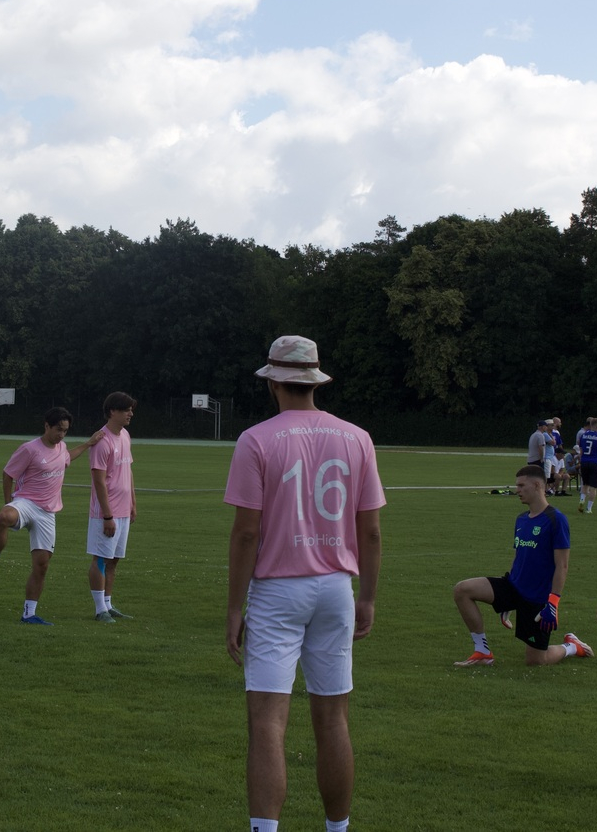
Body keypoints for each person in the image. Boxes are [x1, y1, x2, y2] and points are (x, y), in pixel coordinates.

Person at [225, 335, 384, 832]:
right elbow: (371, 531)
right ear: (315, 381)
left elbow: (246, 532)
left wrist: (233, 608)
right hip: (336, 587)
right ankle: (338, 828)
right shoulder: (357, 437)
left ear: (273, 383)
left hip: (277, 591)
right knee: (333, 719)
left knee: (267, 723)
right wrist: (368, 596)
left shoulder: (256, 439)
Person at [0, 408, 102, 624]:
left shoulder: (61, 447)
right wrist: (9, 502)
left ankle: (29, 614)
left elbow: (67, 457)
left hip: (47, 513)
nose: (61, 435)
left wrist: (88, 444)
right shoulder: (29, 449)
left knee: (41, 565)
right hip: (26, 503)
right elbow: (8, 474)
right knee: (5, 515)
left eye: (65, 431)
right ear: (47, 426)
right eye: (58, 429)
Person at [453, 464, 594, 667]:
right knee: (462, 590)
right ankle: (482, 652)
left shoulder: (556, 520)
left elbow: (562, 565)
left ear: (537, 485)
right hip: (513, 587)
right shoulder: (521, 519)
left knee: (536, 660)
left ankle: (571, 646)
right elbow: (519, 557)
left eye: (521, 485)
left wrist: (553, 602)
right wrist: (507, 601)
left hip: (537, 598)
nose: (517, 490)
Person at [88, 392, 138, 622]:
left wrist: (133, 503)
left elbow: (128, 471)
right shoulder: (102, 441)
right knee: (100, 558)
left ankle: (108, 604)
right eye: (126, 409)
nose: (130, 413)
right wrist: (107, 515)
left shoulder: (125, 435)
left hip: (123, 510)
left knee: (114, 560)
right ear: (112, 412)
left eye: (131, 409)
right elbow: (99, 481)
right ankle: (100, 610)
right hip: (106, 513)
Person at [575, 417, 597, 514]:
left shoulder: (583, 435)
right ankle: (588, 508)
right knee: (594, 487)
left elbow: (581, 451)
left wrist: (581, 462)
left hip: (584, 462)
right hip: (595, 463)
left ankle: (582, 500)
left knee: (585, 484)